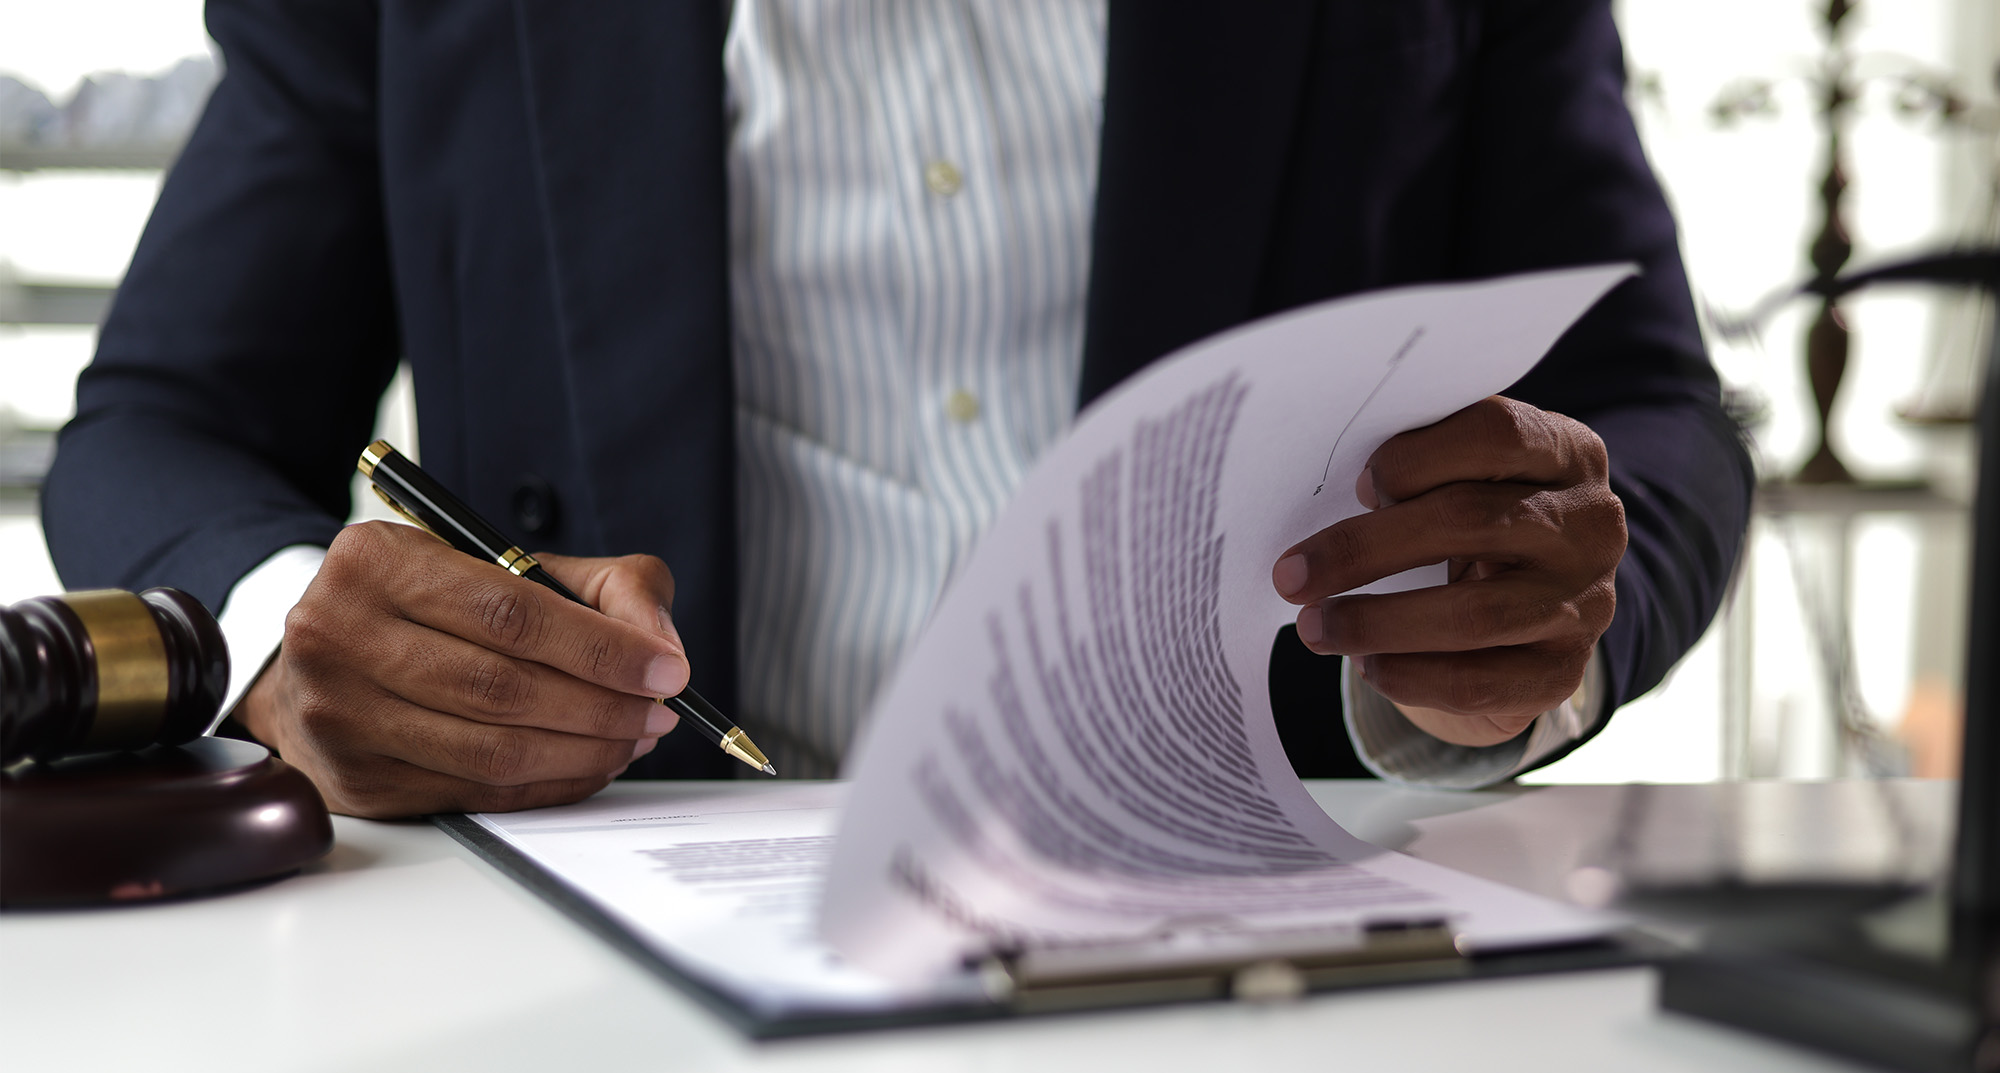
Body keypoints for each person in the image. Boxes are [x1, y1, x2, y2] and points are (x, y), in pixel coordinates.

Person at [43, 0, 1752, 817]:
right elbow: (166, 417)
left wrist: (1546, 617)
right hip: (611, 961)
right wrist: (283, 622)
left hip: (1290, 923)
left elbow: (1645, 401)